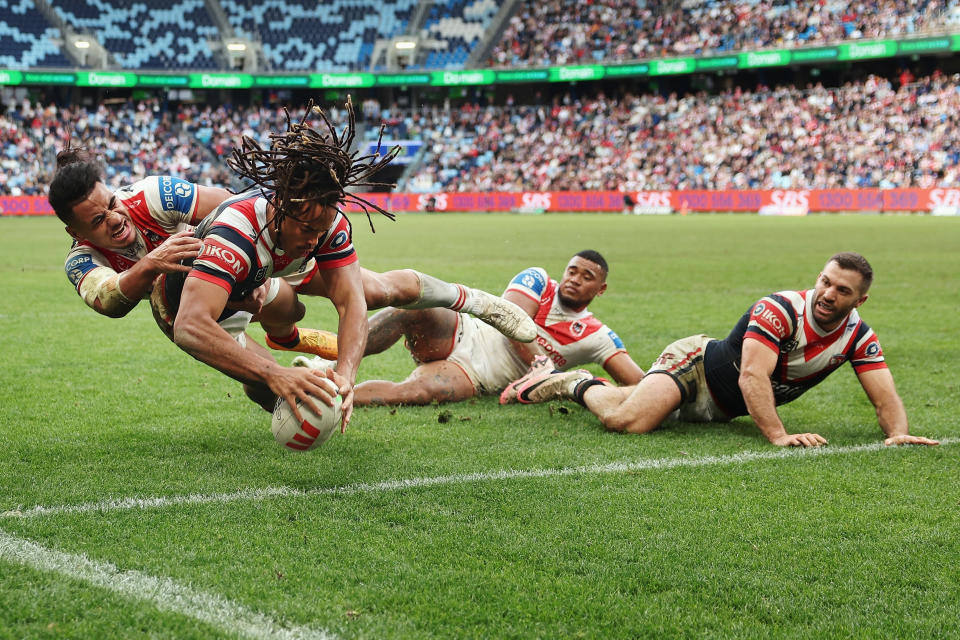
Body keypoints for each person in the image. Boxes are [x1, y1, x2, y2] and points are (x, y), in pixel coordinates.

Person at [155, 100, 536, 428]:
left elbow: (350, 301)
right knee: (270, 390)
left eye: (322, 230)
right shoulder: (235, 235)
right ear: (281, 207)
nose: (315, 240)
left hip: (265, 272)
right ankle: (286, 344)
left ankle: (474, 300)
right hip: (195, 306)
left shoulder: (321, 222)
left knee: (379, 291)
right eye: (308, 228)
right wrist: (276, 375)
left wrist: (346, 376)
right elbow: (190, 326)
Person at [509, 252, 940, 448]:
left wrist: (897, 433)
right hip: (695, 366)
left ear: (858, 301)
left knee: (641, 405)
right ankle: (576, 383)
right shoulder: (779, 310)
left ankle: (589, 386)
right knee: (628, 421)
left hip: (722, 407)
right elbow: (751, 376)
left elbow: (885, 396)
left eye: (841, 290)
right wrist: (778, 435)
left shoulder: (859, 337)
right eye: (825, 281)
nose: (827, 293)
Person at [49, 148, 339, 358]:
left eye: (112, 204)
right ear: (76, 233)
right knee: (266, 387)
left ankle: (287, 338)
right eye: (98, 221)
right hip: (179, 309)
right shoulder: (81, 260)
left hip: (231, 267)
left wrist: (256, 274)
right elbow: (108, 299)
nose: (114, 219)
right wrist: (151, 263)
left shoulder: (154, 195)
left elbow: (236, 206)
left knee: (294, 306)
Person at [345, 250, 644, 406]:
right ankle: (331, 362)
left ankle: (337, 395)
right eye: (572, 271)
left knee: (415, 393)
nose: (575, 279)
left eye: (587, 276)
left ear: (600, 289)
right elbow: (509, 319)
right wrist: (543, 367)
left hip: (478, 376)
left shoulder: (597, 336)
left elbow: (639, 383)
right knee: (407, 311)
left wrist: (596, 388)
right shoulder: (538, 280)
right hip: (464, 333)